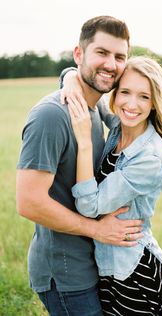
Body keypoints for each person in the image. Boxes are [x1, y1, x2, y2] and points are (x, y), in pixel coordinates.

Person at [16, 16, 144, 316]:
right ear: (79, 54)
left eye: (119, 57)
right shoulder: (51, 116)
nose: (111, 64)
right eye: (101, 52)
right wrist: (98, 230)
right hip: (65, 274)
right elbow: (28, 203)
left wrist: (70, 76)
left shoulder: (96, 107)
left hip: (92, 263)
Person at [64, 56, 162, 315]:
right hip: (109, 268)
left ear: (154, 103)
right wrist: (72, 78)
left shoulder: (149, 157)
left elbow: (89, 205)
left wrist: (84, 141)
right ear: (115, 94)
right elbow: (79, 79)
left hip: (133, 273)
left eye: (144, 96)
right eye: (125, 92)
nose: (131, 104)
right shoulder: (121, 125)